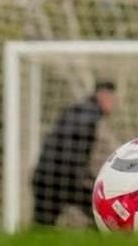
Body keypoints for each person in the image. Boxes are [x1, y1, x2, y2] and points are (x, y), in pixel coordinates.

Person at [31, 79, 115, 227]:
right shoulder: (87, 117)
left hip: (46, 177)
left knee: (41, 229)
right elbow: (70, 153)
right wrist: (84, 178)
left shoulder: (79, 111)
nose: (113, 104)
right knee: (103, 213)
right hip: (58, 179)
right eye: (112, 99)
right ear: (103, 96)